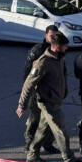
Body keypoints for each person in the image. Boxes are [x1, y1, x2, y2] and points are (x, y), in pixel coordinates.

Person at [16, 27, 82, 162]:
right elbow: (28, 84)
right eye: (65, 46)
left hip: (56, 101)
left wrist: (63, 93)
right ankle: (69, 160)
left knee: (42, 131)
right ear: (57, 47)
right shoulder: (42, 62)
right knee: (61, 132)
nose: (67, 49)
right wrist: (22, 105)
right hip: (46, 103)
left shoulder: (60, 58)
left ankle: (32, 156)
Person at [21, 26, 64, 155]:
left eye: (55, 35)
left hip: (52, 94)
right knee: (35, 119)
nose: (53, 38)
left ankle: (47, 144)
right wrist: (29, 94)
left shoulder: (58, 52)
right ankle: (29, 143)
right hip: (37, 93)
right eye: (51, 35)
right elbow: (28, 73)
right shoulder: (37, 50)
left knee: (51, 121)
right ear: (46, 36)